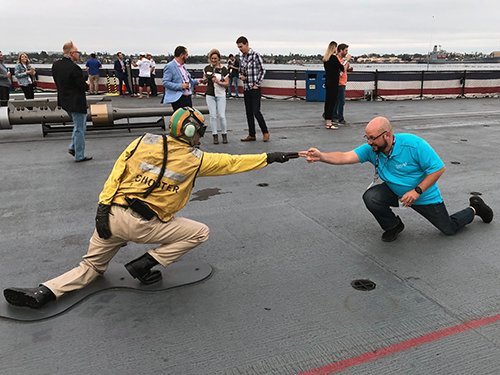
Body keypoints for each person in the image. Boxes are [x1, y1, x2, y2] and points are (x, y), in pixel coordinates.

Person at [3, 107, 299, 309]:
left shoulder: (142, 141)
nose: (201, 137)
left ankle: (44, 292)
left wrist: (102, 209)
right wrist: (272, 157)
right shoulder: (198, 160)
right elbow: (235, 162)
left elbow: (116, 173)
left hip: (112, 217)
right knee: (199, 232)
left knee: (91, 267)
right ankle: (145, 263)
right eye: (200, 131)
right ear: (192, 131)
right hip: (148, 226)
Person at [299, 116, 493, 242]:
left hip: (423, 195)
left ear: (388, 135)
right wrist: (321, 156)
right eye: (366, 137)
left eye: (372, 138)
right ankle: (393, 225)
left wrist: (416, 192)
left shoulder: (414, 144)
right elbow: (345, 156)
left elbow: (438, 169)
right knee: (371, 197)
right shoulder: (372, 149)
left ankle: (475, 208)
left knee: (449, 229)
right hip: (396, 192)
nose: (369, 142)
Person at [52, 41, 92, 162]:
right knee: (80, 128)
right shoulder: (74, 68)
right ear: (71, 53)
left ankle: (73, 147)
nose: (78, 54)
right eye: (77, 52)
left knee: (77, 126)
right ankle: (79, 154)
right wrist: (87, 84)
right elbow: (82, 86)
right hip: (76, 102)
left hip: (64, 100)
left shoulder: (56, 65)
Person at [236, 36, 269, 142]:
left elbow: (262, 70)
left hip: (254, 88)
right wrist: (240, 76)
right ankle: (252, 134)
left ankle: (265, 132)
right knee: (248, 112)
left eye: (241, 46)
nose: (240, 49)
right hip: (246, 87)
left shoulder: (255, 55)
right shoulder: (241, 57)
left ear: (246, 44)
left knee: (256, 111)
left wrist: (257, 84)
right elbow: (240, 71)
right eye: (238, 47)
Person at [162, 46, 202, 111]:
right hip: (179, 98)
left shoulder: (182, 66)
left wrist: (196, 81)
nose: (187, 57)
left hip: (188, 97)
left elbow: (187, 81)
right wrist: (180, 86)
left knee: (189, 119)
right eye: (186, 55)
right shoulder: (170, 66)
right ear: (181, 55)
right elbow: (165, 82)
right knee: (181, 119)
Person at [203, 49, 229, 144]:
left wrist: (218, 82)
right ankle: (214, 135)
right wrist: (204, 80)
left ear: (219, 59)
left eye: (215, 58)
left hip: (221, 94)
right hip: (210, 94)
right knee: (213, 116)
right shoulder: (207, 68)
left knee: (222, 116)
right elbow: (204, 78)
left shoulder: (223, 69)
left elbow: (227, 84)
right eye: (212, 58)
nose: (213, 60)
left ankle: (224, 134)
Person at [323, 41, 344, 130]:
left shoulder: (326, 59)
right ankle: (329, 122)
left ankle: (327, 120)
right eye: (336, 47)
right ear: (334, 48)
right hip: (334, 82)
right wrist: (346, 62)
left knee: (328, 101)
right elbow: (342, 68)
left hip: (328, 81)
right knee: (332, 102)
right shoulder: (333, 58)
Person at [332, 43, 352, 125]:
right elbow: (340, 69)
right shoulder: (337, 59)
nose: (347, 52)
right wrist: (347, 61)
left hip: (342, 82)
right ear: (341, 50)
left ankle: (332, 115)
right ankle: (340, 118)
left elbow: (344, 68)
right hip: (340, 83)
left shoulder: (341, 59)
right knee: (341, 101)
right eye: (346, 50)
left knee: (336, 101)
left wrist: (348, 68)